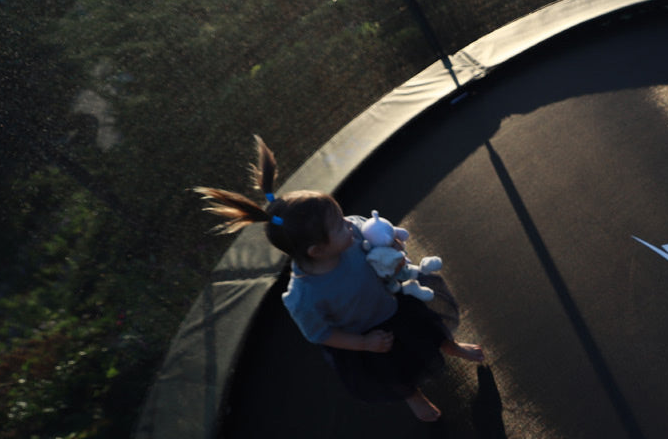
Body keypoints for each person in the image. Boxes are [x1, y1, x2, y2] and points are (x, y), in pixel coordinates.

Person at [195, 137, 485, 422]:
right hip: (369, 335)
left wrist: (395, 246)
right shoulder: (303, 297)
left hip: (396, 303)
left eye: (342, 216)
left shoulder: (354, 232)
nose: (349, 222)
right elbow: (320, 334)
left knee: (430, 329)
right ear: (317, 251)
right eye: (338, 225)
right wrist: (364, 344)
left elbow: (384, 238)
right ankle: (414, 398)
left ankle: (451, 346)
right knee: (395, 373)